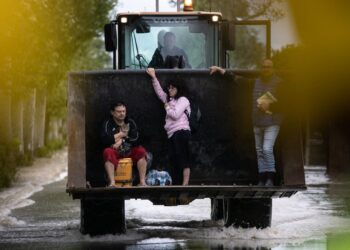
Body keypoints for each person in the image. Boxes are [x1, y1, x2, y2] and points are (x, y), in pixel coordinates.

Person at [209, 59, 282, 186]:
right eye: (264, 67)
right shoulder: (255, 82)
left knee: (267, 149)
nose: (266, 69)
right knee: (259, 150)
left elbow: (288, 103)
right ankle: (262, 178)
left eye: (269, 67)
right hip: (257, 122)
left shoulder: (280, 83)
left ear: (273, 68)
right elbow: (238, 79)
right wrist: (221, 70)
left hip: (272, 122)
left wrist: (270, 107)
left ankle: (270, 178)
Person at [146, 67, 191, 185]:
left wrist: (167, 107)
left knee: (183, 158)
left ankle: (185, 184)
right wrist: (154, 77)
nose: (170, 90)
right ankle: (175, 183)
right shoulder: (169, 100)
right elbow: (159, 92)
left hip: (181, 131)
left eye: (172, 88)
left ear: (178, 89)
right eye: (169, 88)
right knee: (173, 158)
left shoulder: (183, 100)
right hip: (171, 133)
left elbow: (175, 115)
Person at [101, 101, 148, 187]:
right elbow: (105, 140)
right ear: (112, 112)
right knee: (107, 152)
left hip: (129, 151)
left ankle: (142, 182)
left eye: (123, 111)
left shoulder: (130, 122)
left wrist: (121, 141)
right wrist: (122, 134)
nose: (122, 114)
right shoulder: (108, 123)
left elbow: (136, 138)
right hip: (116, 152)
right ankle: (112, 183)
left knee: (141, 151)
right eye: (119, 112)